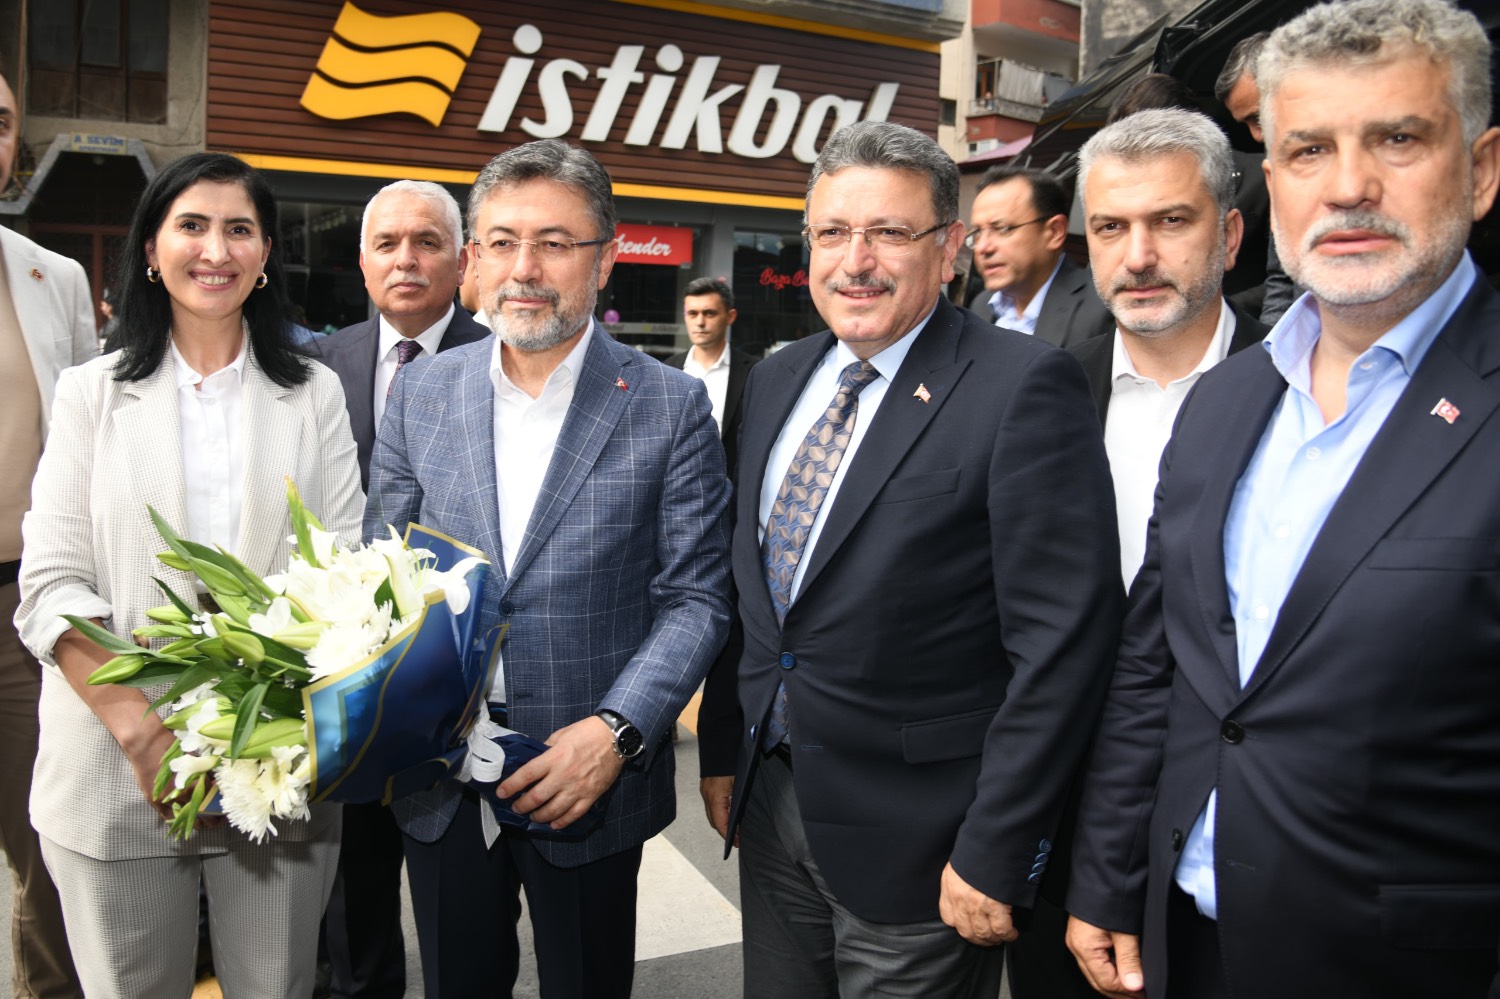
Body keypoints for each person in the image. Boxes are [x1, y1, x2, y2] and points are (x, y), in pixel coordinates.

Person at [1066, 2, 1500, 996]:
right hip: (1183, 944)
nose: (1348, 186)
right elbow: (1156, 672)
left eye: (1397, 138)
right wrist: (1107, 877)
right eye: (1308, 149)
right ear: (1272, 186)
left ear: (1481, 171)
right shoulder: (1225, 402)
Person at [698, 120, 1122, 998]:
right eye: (832, 232)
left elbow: (1062, 649)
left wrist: (999, 845)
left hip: (928, 846)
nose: (856, 261)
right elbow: (754, 592)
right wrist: (724, 749)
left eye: (889, 232)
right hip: (774, 809)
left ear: (949, 247)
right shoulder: (776, 378)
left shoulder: (1025, 385)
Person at [368, 138, 731, 999]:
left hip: (587, 778)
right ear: (474, 259)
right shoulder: (422, 392)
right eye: (502, 242)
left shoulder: (669, 404)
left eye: (555, 243)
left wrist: (617, 732)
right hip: (441, 775)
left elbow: (696, 597)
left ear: (604, 260)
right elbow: (381, 565)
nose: (524, 268)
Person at [15, 151, 363, 998]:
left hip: (277, 774)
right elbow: (51, 584)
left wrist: (271, 727)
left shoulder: (314, 394)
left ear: (266, 252)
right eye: (192, 226)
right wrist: (142, 731)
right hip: (110, 763)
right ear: (151, 248)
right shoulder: (89, 393)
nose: (216, 249)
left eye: (239, 229)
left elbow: (344, 578)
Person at [304, 179, 488, 999]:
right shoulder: (316, 365)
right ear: (362, 261)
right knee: (353, 904)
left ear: (463, 259)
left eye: (427, 242)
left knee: (462, 921)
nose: (406, 259)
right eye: (387, 243)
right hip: (341, 673)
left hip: (458, 683)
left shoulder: (506, 357)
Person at [1073, 108, 1268, 588]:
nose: (1138, 258)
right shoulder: (1049, 392)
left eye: (1171, 220)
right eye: (1111, 227)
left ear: (1229, 236)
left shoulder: (1299, 386)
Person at [0, 63, 93, 999]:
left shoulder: (53, 276)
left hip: (22, 614)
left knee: (45, 846)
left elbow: (86, 450)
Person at [965, 165, 1113, 347]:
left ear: (1054, 232)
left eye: (1002, 229)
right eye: (978, 232)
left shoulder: (1100, 310)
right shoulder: (982, 306)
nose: (983, 247)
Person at [1214, 31, 1300, 326]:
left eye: (1259, 118)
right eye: (1247, 123)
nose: (1257, 135)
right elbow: (1282, 278)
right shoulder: (1278, 170)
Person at [663, 276, 758, 473]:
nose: (700, 322)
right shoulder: (667, 369)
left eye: (709, 313)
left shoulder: (754, 372)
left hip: (733, 482)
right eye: (692, 313)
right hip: (677, 482)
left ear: (730, 316)